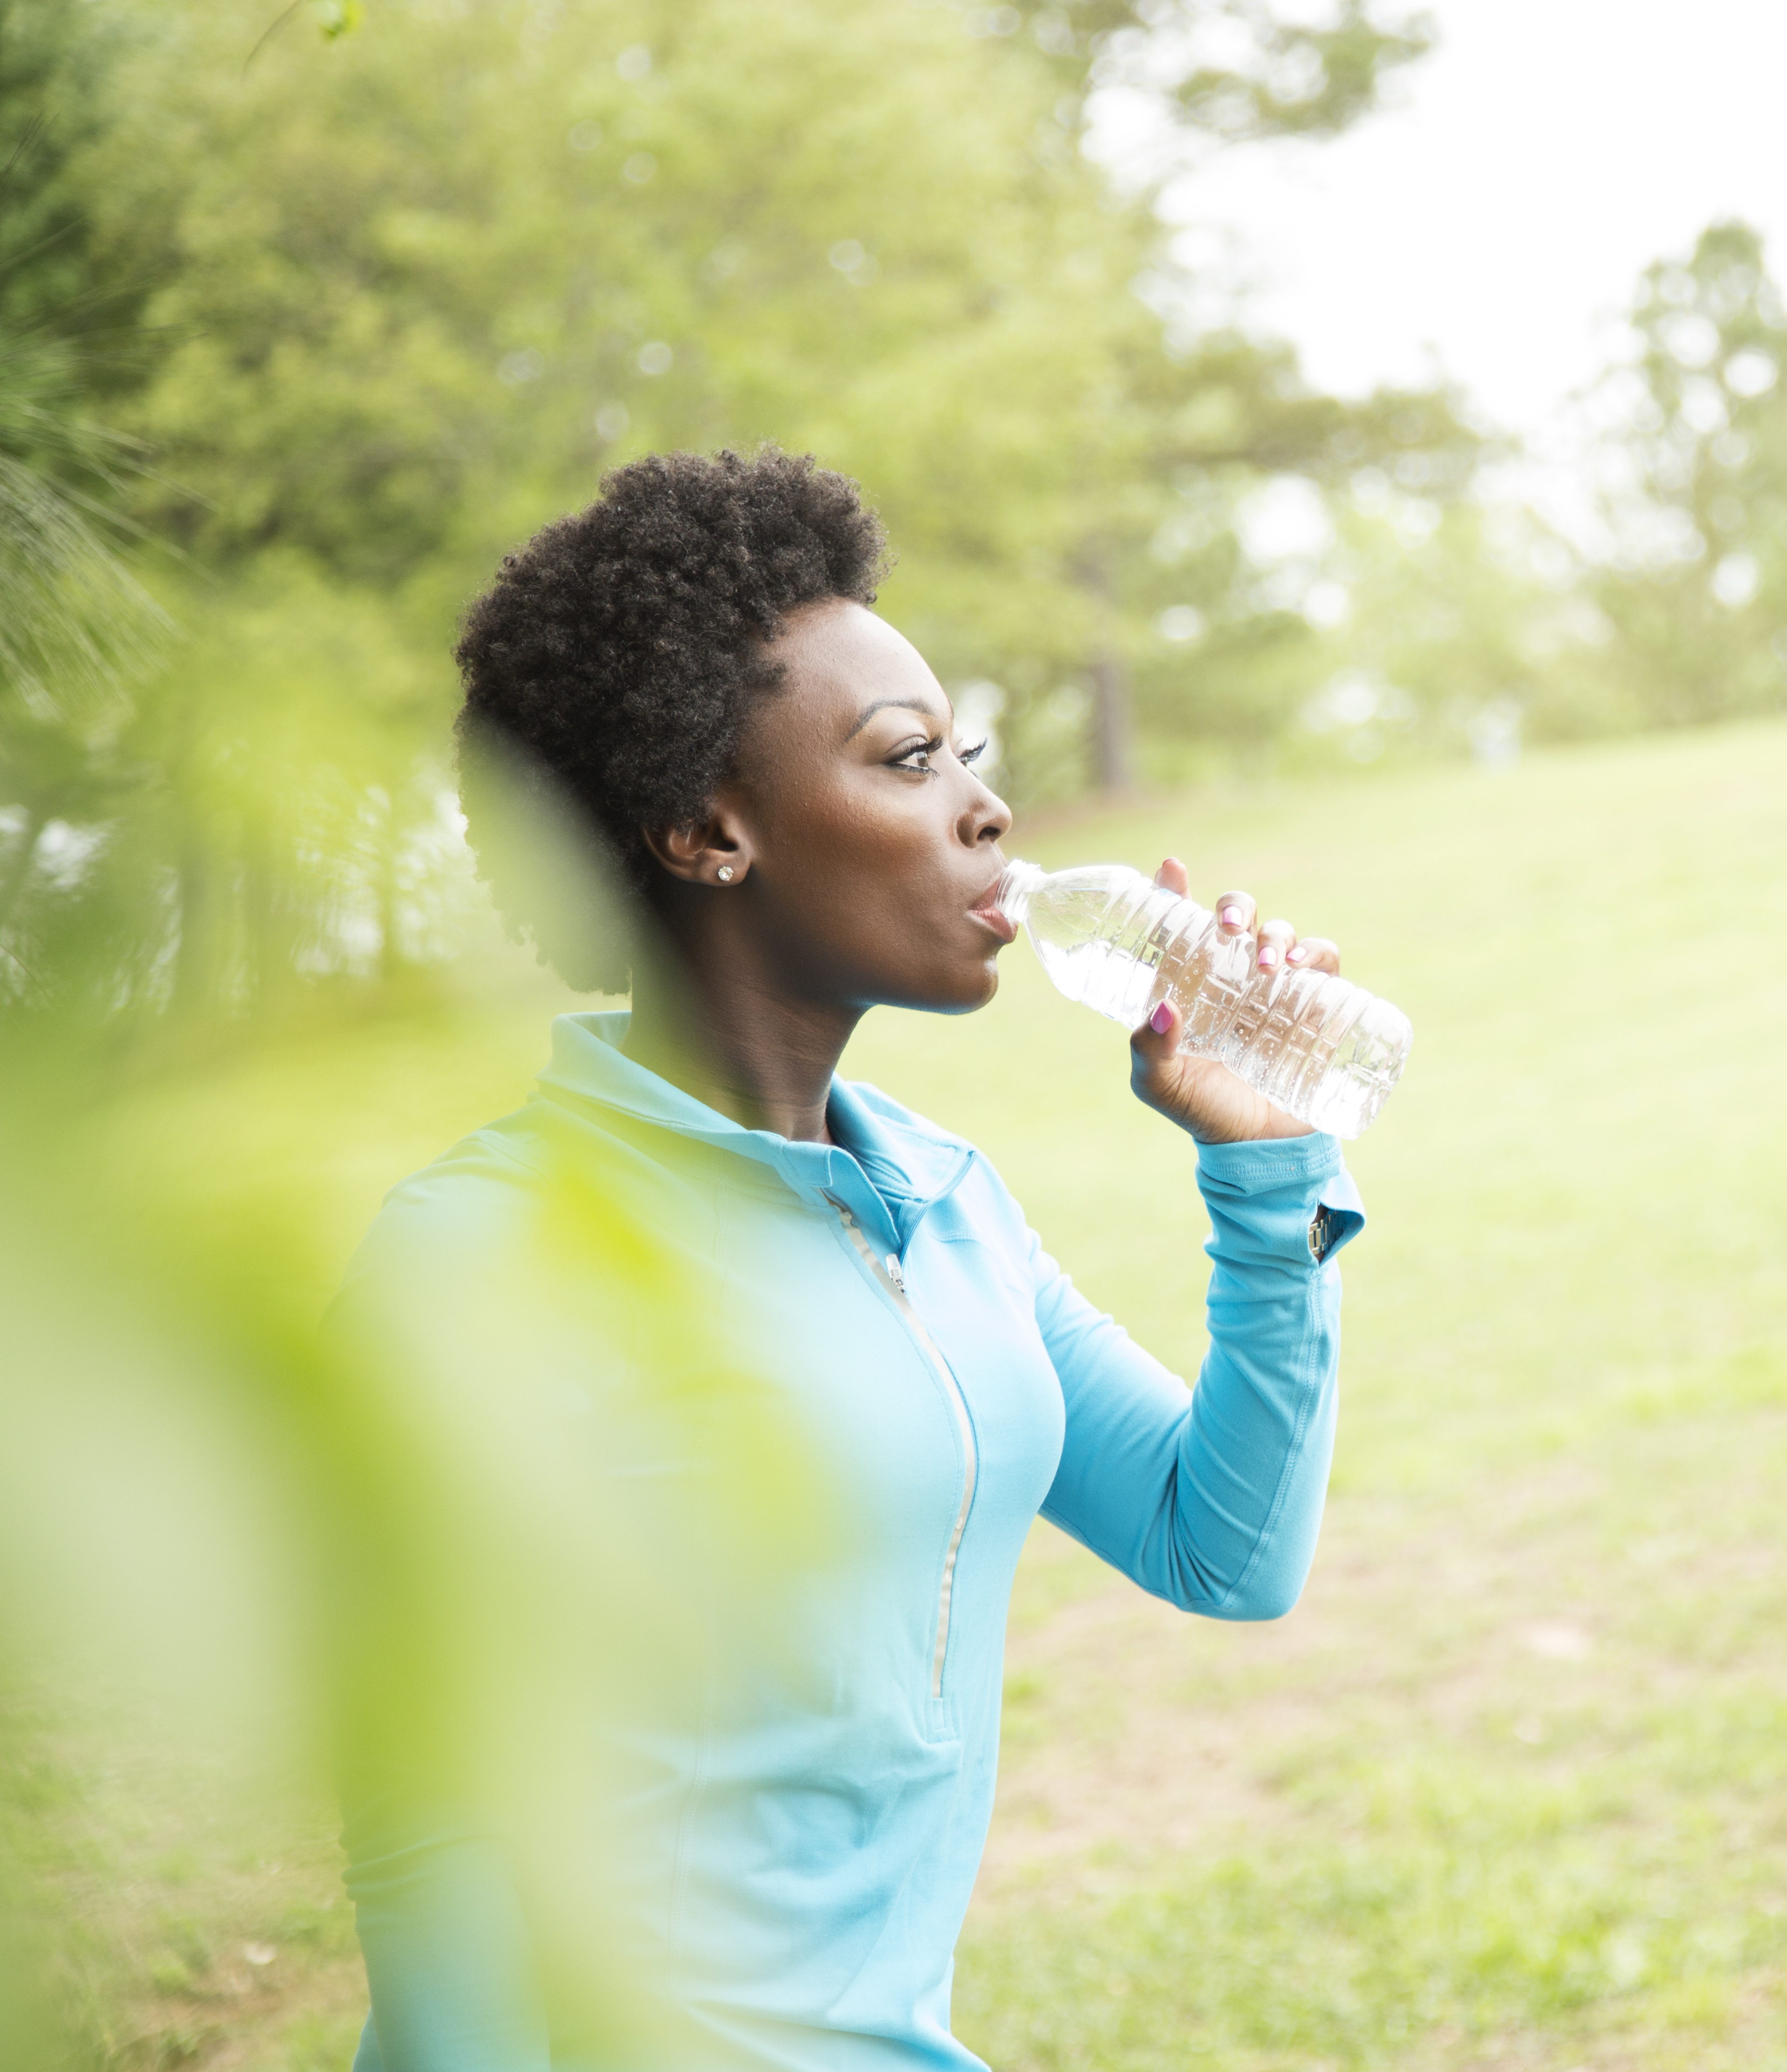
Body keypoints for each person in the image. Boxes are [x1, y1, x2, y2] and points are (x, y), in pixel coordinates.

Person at [328, 448, 1364, 2071]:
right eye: (907, 759)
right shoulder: (491, 1250)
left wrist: (1262, 1173)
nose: (987, 807)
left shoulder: (949, 1205)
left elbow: (1223, 1553)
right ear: (704, 832)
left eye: (970, 751)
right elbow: (426, 1823)